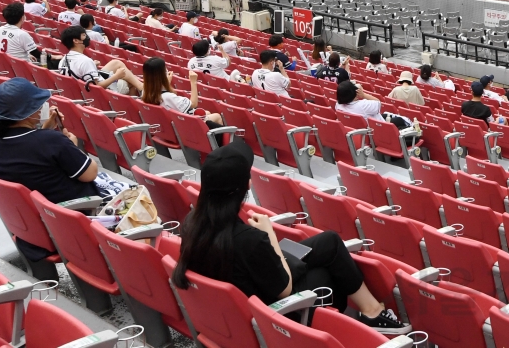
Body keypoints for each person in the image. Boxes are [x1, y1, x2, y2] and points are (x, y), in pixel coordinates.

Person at [171, 140, 411, 334]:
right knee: (323, 274)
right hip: (271, 307)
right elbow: (284, 289)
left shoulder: (193, 223)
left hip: (249, 286)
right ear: (246, 186)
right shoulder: (248, 239)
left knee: (329, 242)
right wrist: (269, 235)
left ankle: (372, 311)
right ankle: (367, 318)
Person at [0, 78, 99, 261]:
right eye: (38, 105)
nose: (42, 107)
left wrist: (47, 131)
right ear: (27, 114)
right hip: (71, 221)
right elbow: (90, 174)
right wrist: (71, 146)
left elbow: (30, 150)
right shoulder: (52, 141)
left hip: (33, 227)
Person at [59, 26, 143, 94]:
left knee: (116, 63)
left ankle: (140, 86)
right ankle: (131, 103)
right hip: (101, 93)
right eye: (84, 35)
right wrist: (116, 76)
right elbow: (98, 87)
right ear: (76, 40)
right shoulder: (85, 61)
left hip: (79, 90)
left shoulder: (63, 59)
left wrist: (92, 66)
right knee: (130, 81)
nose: (87, 37)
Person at [142, 57, 223, 127]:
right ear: (162, 75)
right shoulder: (168, 97)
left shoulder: (145, 91)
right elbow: (194, 104)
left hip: (166, 124)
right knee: (217, 116)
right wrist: (193, 82)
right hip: (183, 127)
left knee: (207, 112)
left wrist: (167, 84)